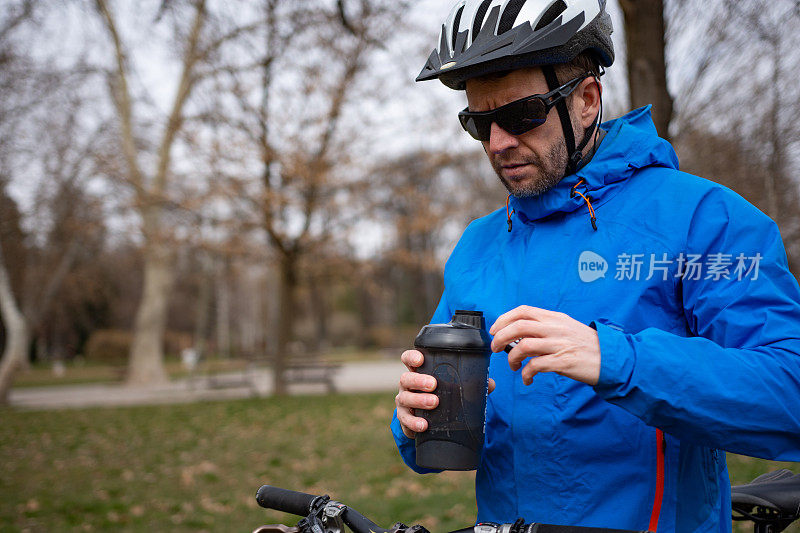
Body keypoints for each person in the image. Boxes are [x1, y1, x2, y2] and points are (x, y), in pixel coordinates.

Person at [390, 1, 800, 531]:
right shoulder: (476, 245)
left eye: (521, 116)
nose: (498, 143)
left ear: (586, 100)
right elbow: (446, 429)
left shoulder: (703, 218)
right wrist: (418, 420)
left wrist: (617, 360)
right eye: (479, 122)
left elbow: (789, 391)